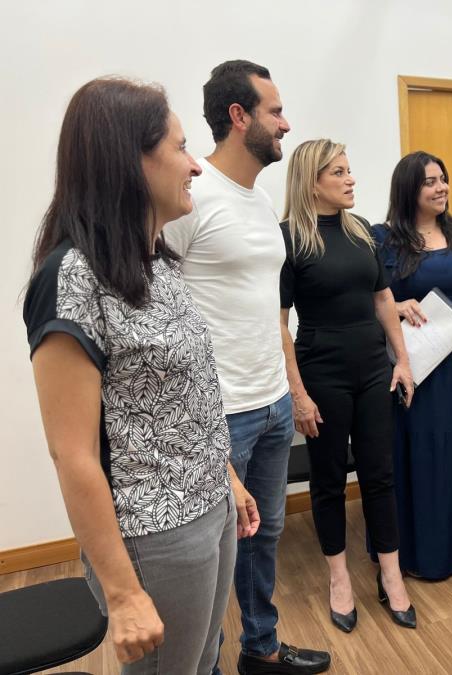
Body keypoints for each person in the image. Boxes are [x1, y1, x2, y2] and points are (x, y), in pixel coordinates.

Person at [24, 77, 258, 673]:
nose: (196, 167)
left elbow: (182, 397)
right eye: (181, 148)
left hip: (210, 508)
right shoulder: (72, 278)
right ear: (130, 160)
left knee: (204, 662)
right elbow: (72, 454)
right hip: (155, 536)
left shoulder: (156, 262)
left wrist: (224, 476)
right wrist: (125, 594)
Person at [165, 61, 330, 675]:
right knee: (209, 559)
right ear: (239, 117)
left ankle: (259, 648)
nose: (285, 123)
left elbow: (270, 311)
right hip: (220, 412)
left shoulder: (258, 200)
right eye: (275, 111)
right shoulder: (192, 193)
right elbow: (157, 302)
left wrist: (292, 388)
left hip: (271, 403)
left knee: (264, 540)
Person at [279, 139, 418, 632]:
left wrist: (401, 361)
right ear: (312, 181)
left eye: (349, 170)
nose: (350, 179)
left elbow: (384, 299)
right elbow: (279, 322)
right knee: (330, 478)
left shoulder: (361, 233)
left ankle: (390, 575)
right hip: (323, 373)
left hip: (372, 370)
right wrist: (297, 392)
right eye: (338, 172)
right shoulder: (291, 239)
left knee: (380, 474)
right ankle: (339, 578)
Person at [372, 151, 452, 580]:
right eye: (430, 181)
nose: (441, 187)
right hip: (414, 364)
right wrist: (397, 304)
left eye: (443, 178)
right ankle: (417, 553)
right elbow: (373, 297)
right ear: (409, 189)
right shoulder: (384, 238)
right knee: (419, 450)